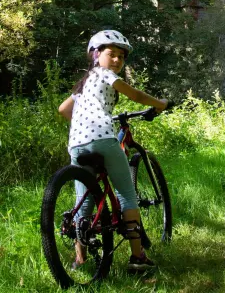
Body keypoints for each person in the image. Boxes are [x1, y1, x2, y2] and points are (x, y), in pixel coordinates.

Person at [58, 30, 168, 273]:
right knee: (127, 193)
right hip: (104, 139)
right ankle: (137, 257)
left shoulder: (83, 84)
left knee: (83, 201)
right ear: (97, 55)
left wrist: (83, 124)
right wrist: (159, 103)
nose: (117, 60)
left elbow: (63, 109)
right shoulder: (105, 74)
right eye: (112, 54)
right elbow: (134, 94)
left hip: (77, 143)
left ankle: (80, 260)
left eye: (121, 56)